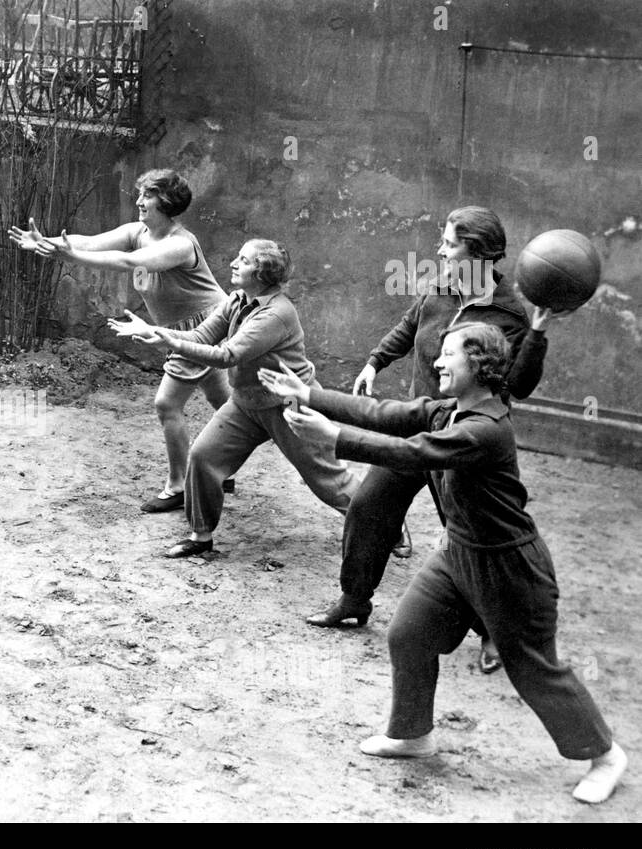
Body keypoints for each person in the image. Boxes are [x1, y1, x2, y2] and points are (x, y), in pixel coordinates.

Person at [259, 323, 627, 804]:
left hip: (509, 568)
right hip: (457, 554)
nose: (437, 361)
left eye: (449, 354)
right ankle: (412, 734)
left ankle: (604, 755)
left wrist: (334, 437)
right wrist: (308, 392)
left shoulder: (484, 430)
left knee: (534, 668)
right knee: (408, 635)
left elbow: (412, 453)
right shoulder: (449, 411)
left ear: (479, 365)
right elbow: (384, 412)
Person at [312, 207, 555, 677]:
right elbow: (410, 324)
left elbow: (519, 384)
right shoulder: (441, 287)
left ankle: (493, 635)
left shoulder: (507, 313)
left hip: (461, 442)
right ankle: (354, 599)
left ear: (479, 253)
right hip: (415, 422)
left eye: (449, 243)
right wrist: (374, 362)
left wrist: (539, 333)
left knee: (473, 541)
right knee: (369, 508)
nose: (439, 251)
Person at [108, 239, 358, 558]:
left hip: (289, 406)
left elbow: (227, 355)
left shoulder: (277, 313)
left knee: (326, 479)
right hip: (247, 402)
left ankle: (387, 525)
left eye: (244, 260)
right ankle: (201, 536)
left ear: (263, 273)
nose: (233, 264)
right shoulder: (238, 299)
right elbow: (201, 337)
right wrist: (157, 332)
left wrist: (169, 339)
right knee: (203, 457)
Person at [8, 169, 233, 512]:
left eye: (148, 196)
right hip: (187, 324)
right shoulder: (137, 231)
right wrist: (48, 243)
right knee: (222, 398)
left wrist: (67, 257)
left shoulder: (179, 244)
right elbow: (89, 241)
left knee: (167, 404)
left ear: (167, 203)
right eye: (141, 194)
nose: (140, 202)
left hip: (205, 326)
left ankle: (179, 486)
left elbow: (127, 262)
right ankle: (224, 463)